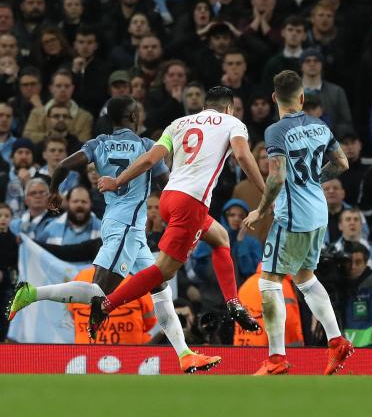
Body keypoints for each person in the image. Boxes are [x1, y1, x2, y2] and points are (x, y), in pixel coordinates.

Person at [6, 96, 220, 373]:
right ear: (134, 118)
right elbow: (167, 184)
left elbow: (62, 166)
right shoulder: (146, 147)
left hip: (122, 224)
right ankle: (32, 293)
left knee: (160, 289)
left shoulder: (99, 144)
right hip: (128, 227)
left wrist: (55, 191)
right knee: (101, 293)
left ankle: (185, 354)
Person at [92, 87, 265, 339]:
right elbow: (241, 154)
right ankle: (105, 305)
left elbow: (150, 159)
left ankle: (233, 303)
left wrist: (117, 181)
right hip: (191, 203)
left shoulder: (179, 123)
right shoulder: (233, 123)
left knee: (220, 238)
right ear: (230, 108)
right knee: (164, 270)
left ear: (206, 105)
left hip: (169, 197)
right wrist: (266, 190)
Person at [241, 70, 353, 376]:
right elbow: (342, 163)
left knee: (267, 281)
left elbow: (276, 177)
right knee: (305, 278)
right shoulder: (320, 125)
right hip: (319, 213)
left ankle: (276, 358)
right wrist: (315, 179)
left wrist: (261, 211)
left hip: (293, 217)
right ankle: (337, 340)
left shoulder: (276, 132)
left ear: (275, 98)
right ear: (302, 97)